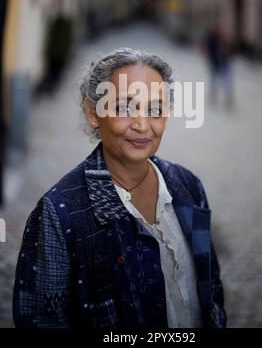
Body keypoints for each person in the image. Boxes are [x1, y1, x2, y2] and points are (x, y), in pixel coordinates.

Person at [13, 47, 226, 329]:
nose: (141, 124)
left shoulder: (187, 186)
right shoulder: (58, 214)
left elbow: (210, 290)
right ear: (93, 112)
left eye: (154, 109)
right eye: (124, 107)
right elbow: (41, 319)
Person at [203, 27, 234, 109]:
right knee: (214, 82)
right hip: (216, 65)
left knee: (227, 82)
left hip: (224, 65)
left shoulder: (225, 42)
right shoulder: (213, 42)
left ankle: (228, 97)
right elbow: (210, 53)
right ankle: (213, 96)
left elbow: (229, 52)